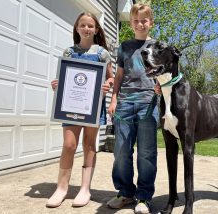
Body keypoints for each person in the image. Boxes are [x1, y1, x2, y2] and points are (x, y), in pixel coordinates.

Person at [46, 12, 114, 208]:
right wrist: (57, 85)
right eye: (82, 25)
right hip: (70, 106)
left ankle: (85, 188)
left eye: (90, 26)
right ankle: (61, 188)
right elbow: (64, 77)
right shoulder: (68, 52)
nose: (86, 29)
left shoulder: (102, 53)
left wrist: (107, 85)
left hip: (92, 106)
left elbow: (110, 77)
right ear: (76, 28)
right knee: (69, 145)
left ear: (96, 30)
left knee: (89, 145)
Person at [106, 3, 159, 214]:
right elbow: (119, 76)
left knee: (146, 153)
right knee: (121, 151)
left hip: (149, 103)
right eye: (136, 20)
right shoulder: (124, 47)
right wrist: (114, 99)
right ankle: (125, 192)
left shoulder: (158, 46)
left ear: (151, 23)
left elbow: (167, 74)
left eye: (144, 20)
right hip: (125, 104)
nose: (140, 24)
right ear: (131, 23)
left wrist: (162, 88)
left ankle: (144, 197)